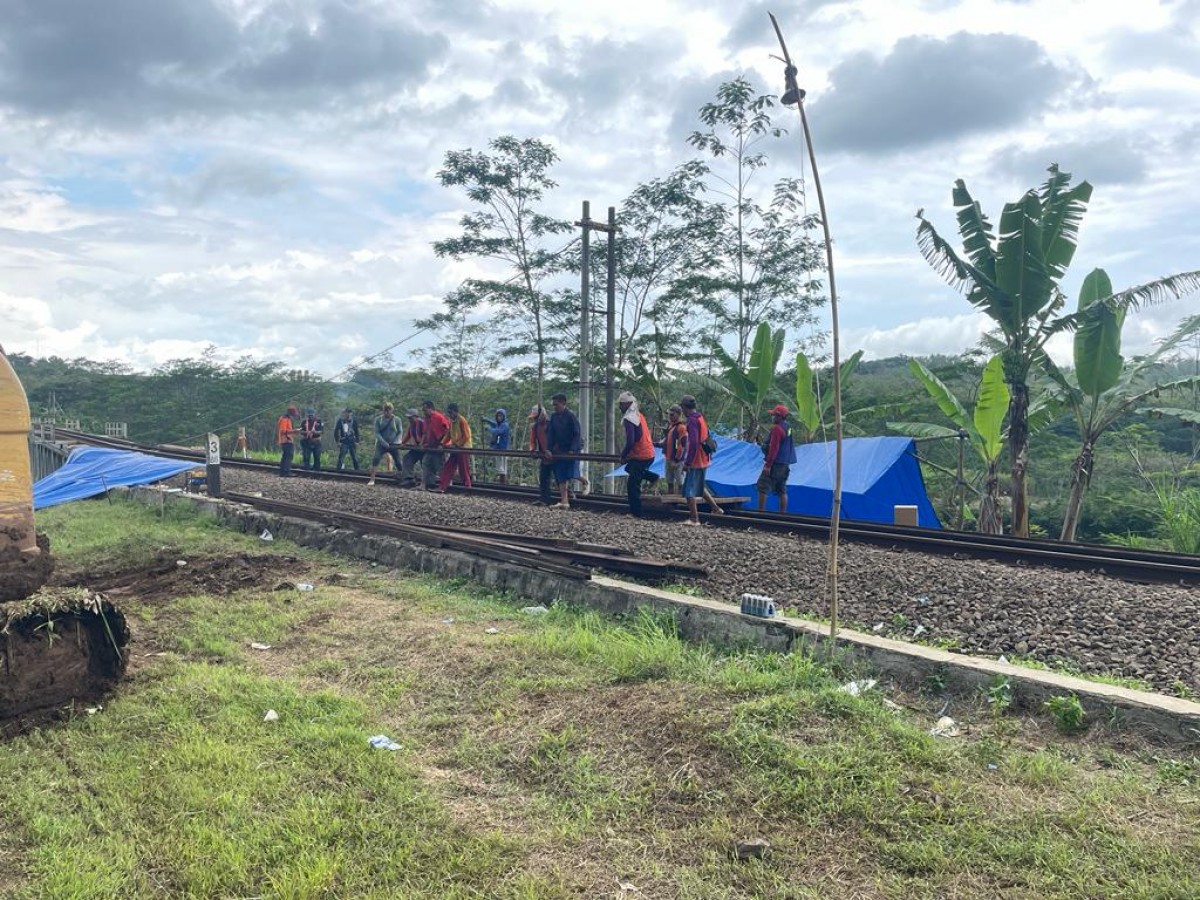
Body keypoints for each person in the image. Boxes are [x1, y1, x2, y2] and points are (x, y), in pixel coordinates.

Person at [618, 391, 658, 517]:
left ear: (627, 404)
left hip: (641, 455)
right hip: (648, 452)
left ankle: (636, 512)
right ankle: (653, 477)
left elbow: (631, 440)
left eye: (621, 404)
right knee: (630, 468)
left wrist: (623, 455)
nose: (620, 407)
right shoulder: (639, 415)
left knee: (632, 484)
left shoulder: (630, 419)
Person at [680, 394, 713, 526]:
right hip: (704, 457)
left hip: (696, 459)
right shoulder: (700, 417)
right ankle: (716, 509)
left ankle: (694, 519)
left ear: (684, 407)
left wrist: (688, 462)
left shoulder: (692, 420)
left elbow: (693, 443)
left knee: (689, 490)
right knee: (698, 486)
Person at [757, 403, 797, 513]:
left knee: (762, 486)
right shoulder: (788, 427)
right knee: (782, 490)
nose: (772, 417)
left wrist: (768, 465)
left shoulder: (777, 429)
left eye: (774, 415)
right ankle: (782, 515)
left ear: (779, 417)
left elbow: (774, 449)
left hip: (775, 463)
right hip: (785, 464)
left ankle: (760, 514)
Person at [547, 392, 581, 509]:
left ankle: (584, 482)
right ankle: (564, 500)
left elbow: (577, 433)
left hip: (571, 448)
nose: (555, 407)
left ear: (563, 403)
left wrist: (573, 449)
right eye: (554, 405)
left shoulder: (571, 416)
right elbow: (551, 434)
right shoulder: (554, 417)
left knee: (572, 472)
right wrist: (549, 449)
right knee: (560, 474)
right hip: (560, 449)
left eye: (556, 404)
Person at [437, 402, 473, 492]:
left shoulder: (461, 420)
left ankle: (467, 487)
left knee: (463, 468)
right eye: (449, 413)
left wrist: (458, 444)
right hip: (456, 448)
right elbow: (449, 434)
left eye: (451, 412)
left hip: (463, 448)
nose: (450, 414)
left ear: (455, 411)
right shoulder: (452, 421)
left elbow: (466, 436)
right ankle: (442, 486)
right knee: (448, 466)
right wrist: (442, 443)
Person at [366, 402, 403, 486]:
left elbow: (400, 432)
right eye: (385, 410)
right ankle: (372, 479)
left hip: (393, 444)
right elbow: (377, 432)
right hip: (381, 444)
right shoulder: (378, 419)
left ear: (392, 410)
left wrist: (396, 441)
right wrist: (383, 442)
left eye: (388, 410)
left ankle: (402, 478)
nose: (387, 412)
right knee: (376, 459)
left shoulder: (397, 419)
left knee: (398, 461)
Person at [420, 399, 450, 491]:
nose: (424, 412)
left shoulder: (439, 417)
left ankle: (444, 485)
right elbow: (425, 432)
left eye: (425, 410)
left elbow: (447, 432)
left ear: (430, 408)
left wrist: (442, 444)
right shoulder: (426, 419)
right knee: (426, 463)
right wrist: (423, 443)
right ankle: (425, 484)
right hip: (431, 446)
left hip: (439, 446)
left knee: (439, 466)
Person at [657, 405, 687, 495]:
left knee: (680, 482)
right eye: (669, 414)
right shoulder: (671, 426)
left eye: (672, 414)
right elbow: (667, 441)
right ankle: (671, 500)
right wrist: (656, 444)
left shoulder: (681, 428)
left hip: (678, 460)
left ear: (678, 414)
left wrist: (676, 460)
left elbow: (681, 445)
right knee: (669, 481)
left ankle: (683, 500)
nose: (670, 416)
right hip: (669, 458)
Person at [528, 405, 555, 505]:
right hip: (544, 456)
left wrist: (552, 450)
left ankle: (567, 497)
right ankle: (544, 499)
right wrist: (532, 450)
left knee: (560, 478)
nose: (535, 419)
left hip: (555, 454)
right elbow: (532, 440)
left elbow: (557, 438)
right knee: (543, 478)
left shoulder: (551, 424)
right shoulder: (535, 427)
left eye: (536, 417)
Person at [481, 408, 511, 483]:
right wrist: (486, 420)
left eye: (501, 416)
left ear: (504, 417)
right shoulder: (499, 424)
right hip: (498, 448)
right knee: (500, 468)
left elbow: (497, 431)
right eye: (498, 416)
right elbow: (494, 424)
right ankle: (502, 483)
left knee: (502, 469)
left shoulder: (504, 425)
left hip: (503, 449)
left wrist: (489, 428)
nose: (499, 418)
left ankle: (502, 483)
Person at [399, 408, 425, 487]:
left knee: (425, 464)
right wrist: (402, 443)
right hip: (416, 448)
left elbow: (425, 434)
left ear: (416, 416)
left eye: (411, 418)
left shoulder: (421, 423)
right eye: (408, 418)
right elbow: (408, 435)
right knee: (407, 458)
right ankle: (409, 478)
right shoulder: (411, 425)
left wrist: (421, 443)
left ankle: (426, 481)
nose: (409, 419)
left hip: (424, 448)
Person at [276, 404, 298, 477]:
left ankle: (283, 472)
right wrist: (294, 431)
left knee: (285, 456)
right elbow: (283, 431)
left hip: (286, 440)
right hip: (286, 440)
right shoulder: (285, 419)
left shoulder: (285, 418)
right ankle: (286, 472)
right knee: (288, 456)